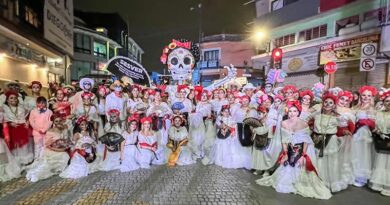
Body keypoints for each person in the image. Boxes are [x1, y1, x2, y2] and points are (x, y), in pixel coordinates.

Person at [256, 100, 331, 200]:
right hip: (290, 149)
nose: (292, 113)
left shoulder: (304, 124)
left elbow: (306, 141)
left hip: (303, 150)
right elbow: (284, 140)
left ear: (298, 112)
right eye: (290, 111)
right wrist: (285, 153)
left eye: (294, 111)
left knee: (303, 171)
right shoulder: (283, 123)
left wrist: (304, 156)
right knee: (283, 178)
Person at [311, 93, 347, 192]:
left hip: (330, 140)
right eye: (326, 102)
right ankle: (318, 181)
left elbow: (344, 124)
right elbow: (306, 118)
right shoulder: (317, 115)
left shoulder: (337, 117)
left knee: (330, 162)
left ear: (334, 105)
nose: (327, 104)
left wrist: (337, 115)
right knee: (318, 161)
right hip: (318, 139)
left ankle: (329, 183)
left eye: (330, 103)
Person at [26, 114, 71, 182]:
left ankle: (58, 168)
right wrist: (58, 150)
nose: (58, 123)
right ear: (53, 122)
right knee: (64, 156)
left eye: (60, 121)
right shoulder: (50, 131)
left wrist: (64, 147)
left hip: (61, 149)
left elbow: (66, 140)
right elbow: (47, 145)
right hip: (51, 150)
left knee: (66, 155)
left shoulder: (65, 129)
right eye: (56, 121)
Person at [351, 86, 377, 187]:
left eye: (369, 96)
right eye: (364, 95)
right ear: (360, 96)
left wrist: (366, 122)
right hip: (355, 134)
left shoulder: (372, 108)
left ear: (372, 97)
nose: (366, 97)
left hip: (364, 134)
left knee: (362, 155)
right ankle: (353, 174)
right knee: (354, 154)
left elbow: (374, 124)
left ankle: (361, 177)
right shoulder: (356, 107)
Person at [2, 91, 33, 167]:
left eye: (15, 98)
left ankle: (26, 161)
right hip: (12, 129)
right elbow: (3, 120)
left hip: (22, 128)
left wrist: (27, 122)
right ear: (7, 100)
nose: (14, 100)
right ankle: (18, 161)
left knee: (24, 145)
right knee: (16, 146)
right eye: (11, 98)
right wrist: (10, 123)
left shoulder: (21, 108)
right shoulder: (4, 108)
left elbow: (26, 117)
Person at [370, 89, 390, 196]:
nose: (389, 103)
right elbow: (374, 126)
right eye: (387, 101)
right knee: (380, 163)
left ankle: (388, 186)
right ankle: (378, 184)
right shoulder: (379, 113)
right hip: (381, 141)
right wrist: (377, 131)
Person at [0, 105, 21, 182]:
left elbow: (4, 123)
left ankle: (2, 172)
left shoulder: (1, 109)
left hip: (0, 137)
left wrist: (6, 135)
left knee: (2, 155)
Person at [29, 97, 53, 161]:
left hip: (46, 132)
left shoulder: (49, 111)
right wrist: (38, 129)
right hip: (37, 132)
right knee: (37, 145)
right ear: (37, 103)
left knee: (44, 145)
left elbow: (50, 121)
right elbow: (31, 121)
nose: (41, 104)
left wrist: (45, 129)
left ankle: (42, 159)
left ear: (46, 103)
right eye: (39, 103)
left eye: (43, 103)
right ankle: (36, 159)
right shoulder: (33, 111)